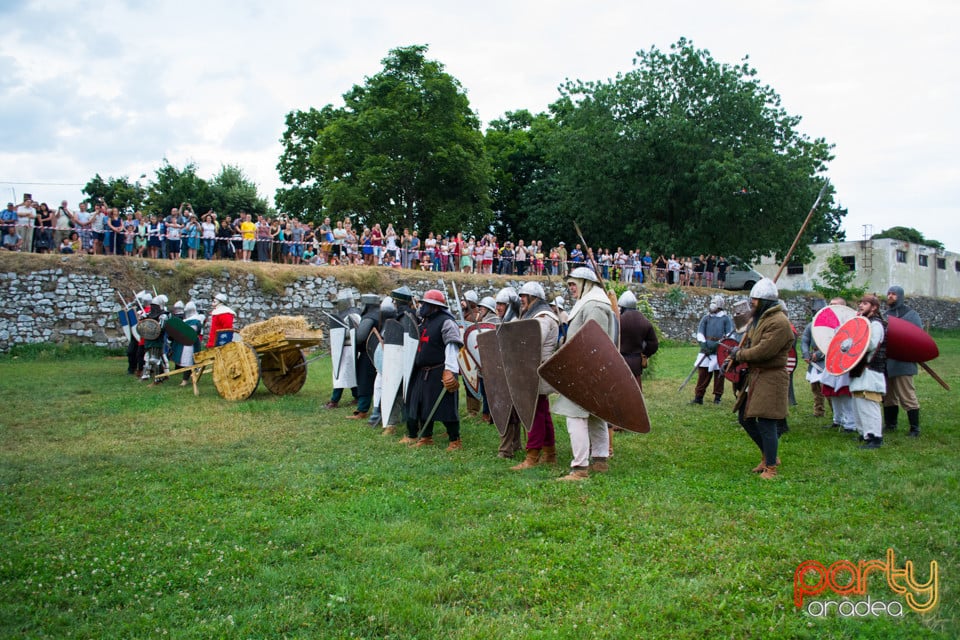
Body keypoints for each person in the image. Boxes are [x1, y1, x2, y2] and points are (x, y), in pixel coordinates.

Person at [552, 266, 618, 481]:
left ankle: (580, 468)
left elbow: (594, 343)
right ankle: (600, 461)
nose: (571, 288)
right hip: (591, 371)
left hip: (587, 372)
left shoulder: (594, 306)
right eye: (570, 284)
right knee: (595, 415)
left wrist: (581, 373)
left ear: (586, 284)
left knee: (575, 417)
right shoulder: (591, 303)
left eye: (574, 284)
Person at [725, 278, 794, 479]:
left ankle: (771, 467)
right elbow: (751, 346)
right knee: (745, 417)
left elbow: (763, 351)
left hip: (771, 376)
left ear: (765, 301)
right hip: (756, 375)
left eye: (755, 300)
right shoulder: (761, 319)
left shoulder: (779, 322)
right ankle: (767, 455)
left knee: (766, 421)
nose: (752, 303)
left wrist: (739, 355)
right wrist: (735, 357)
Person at [400, 289, 464, 451]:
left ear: (434, 306)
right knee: (421, 404)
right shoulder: (424, 322)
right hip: (421, 370)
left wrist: (450, 370)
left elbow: (452, 345)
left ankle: (454, 439)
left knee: (446, 406)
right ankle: (426, 436)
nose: (421, 307)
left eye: (425, 304)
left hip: (439, 370)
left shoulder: (446, 322)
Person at [510, 282, 561, 470]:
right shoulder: (536, 316)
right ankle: (549, 453)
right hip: (535, 370)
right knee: (542, 412)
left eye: (524, 296)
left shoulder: (543, 318)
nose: (521, 299)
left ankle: (532, 456)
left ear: (534, 298)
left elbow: (530, 344)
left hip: (536, 370)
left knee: (533, 414)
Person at [608, 289, 659, 454]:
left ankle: (618, 423)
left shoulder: (619, 320)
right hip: (636, 361)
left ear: (622, 306)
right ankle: (635, 421)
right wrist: (644, 352)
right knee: (635, 394)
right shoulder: (645, 321)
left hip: (621, 360)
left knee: (619, 393)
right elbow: (653, 344)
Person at [883, 285, 922, 437]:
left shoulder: (911, 314)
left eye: (893, 294)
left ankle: (915, 428)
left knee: (907, 396)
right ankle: (891, 425)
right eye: (889, 294)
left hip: (903, 361)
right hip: (887, 361)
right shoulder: (885, 315)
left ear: (900, 296)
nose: (890, 296)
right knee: (888, 396)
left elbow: (917, 337)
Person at [850, 294, 888, 449]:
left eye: (865, 303)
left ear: (874, 307)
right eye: (860, 303)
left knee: (869, 402)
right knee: (858, 400)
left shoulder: (876, 324)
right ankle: (864, 433)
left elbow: (870, 344)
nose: (861, 306)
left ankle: (875, 437)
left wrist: (854, 340)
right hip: (860, 368)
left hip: (871, 368)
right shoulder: (865, 322)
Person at [690, 295, 734, 405]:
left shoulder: (725, 319)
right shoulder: (706, 318)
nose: (712, 305)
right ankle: (698, 397)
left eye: (714, 303)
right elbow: (700, 332)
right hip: (705, 350)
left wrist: (717, 346)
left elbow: (729, 335)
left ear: (719, 306)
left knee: (719, 374)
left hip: (719, 350)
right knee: (702, 374)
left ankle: (717, 398)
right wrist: (704, 345)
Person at [800, 320, 826, 418]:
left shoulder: (831, 326)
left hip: (826, 359)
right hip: (813, 359)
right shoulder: (811, 325)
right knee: (815, 388)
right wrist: (806, 354)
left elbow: (832, 341)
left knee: (827, 388)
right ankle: (818, 411)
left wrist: (819, 354)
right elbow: (805, 340)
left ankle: (837, 415)